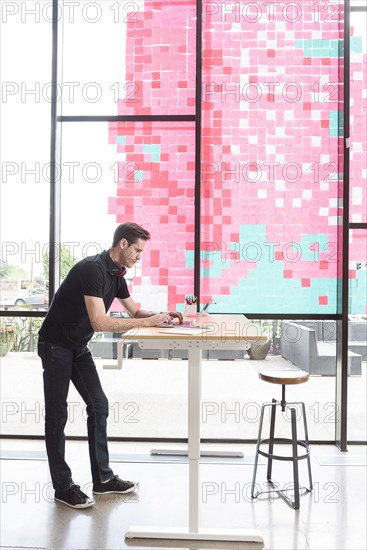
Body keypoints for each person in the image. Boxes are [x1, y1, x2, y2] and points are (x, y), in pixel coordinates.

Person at [38, 222, 183, 509]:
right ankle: (63, 486)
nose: (139, 256)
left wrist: (161, 315)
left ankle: (103, 480)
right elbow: (100, 322)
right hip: (55, 345)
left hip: (77, 346)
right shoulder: (92, 269)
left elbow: (135, 311)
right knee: (57, 414)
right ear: (123, 244)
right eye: (138, 250)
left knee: (99, 405)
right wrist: (147, 321)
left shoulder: (117, 275)